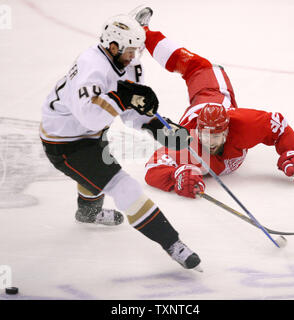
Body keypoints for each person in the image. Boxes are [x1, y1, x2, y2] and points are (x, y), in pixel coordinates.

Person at [40, 13, 201, 270]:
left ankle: (87, 213)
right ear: (112, 46)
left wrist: (159, 127)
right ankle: (172, 243)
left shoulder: (130, 64)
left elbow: (130, 110)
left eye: (138, 49)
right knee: (124, 187)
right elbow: (91, 116)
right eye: (130, 50)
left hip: (91, 133)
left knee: (96, 174)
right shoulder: (90, 66)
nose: (134, 56)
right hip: (65, 142)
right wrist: (123, 97)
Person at [130, 7, 294, 199]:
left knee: (202, 68)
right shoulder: (187, 144)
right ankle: (143, 32)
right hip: (203, 101)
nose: (209, 141)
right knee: (197, 67)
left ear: (227, 131)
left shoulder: (243, 124)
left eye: (215, 136)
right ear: (197, 131)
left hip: (213, 93)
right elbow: (153, 168)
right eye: (205, 135)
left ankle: (147, 34)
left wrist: (292, 154)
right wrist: (176, 177)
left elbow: (279, 126)